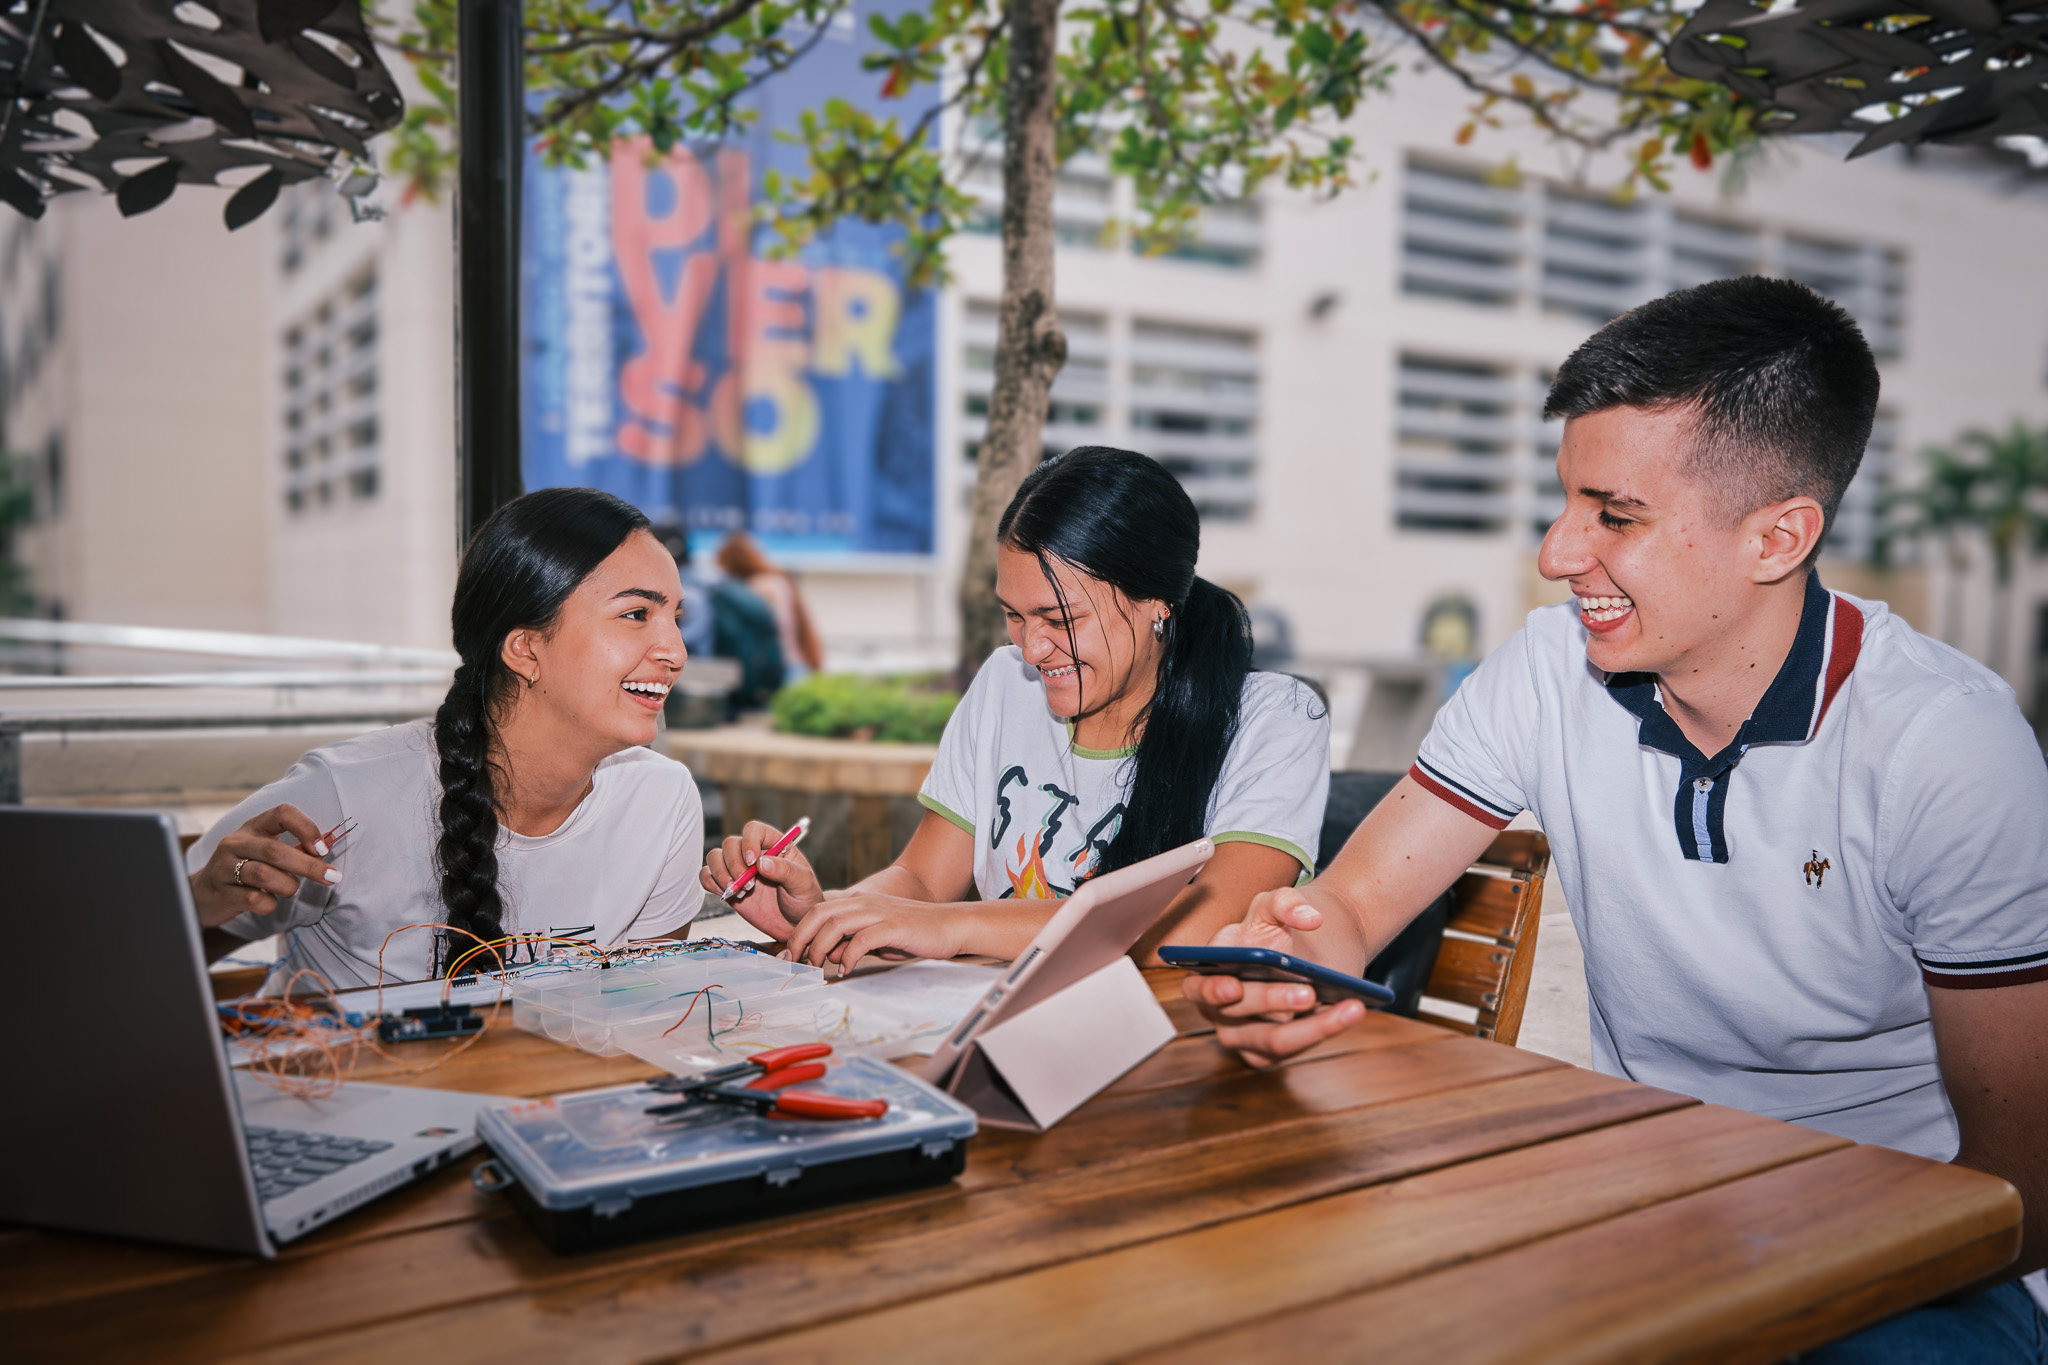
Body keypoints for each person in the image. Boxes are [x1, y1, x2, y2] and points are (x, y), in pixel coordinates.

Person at [1184, 278, 2048, 1358]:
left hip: (1912, 1258)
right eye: (1565, 502)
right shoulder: (1549, 670)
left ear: (1776, 537)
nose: (1556, 553)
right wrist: (1290, 960)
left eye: (1614, 517)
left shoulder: (1945, 747)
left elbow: (2017, 1187)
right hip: (1635, 1205)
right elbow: (1352, 903)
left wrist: (1770, 1289)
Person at [701, 445, 1330, 969]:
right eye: (1013, 616)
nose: (1032, 649)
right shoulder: (1006, 684)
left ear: (1157, 601)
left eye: (1060, 618)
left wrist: (955, 927)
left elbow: (1192, 929)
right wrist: (826, 915)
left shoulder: (1274, 720)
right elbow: (919, 884)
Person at [187, 487, 707, 985]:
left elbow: (646, 1009)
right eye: (636, 614)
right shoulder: (344, 794)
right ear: (525, 649)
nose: (676, 652)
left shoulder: (662, 800)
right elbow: (133, 953)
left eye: (675, 618)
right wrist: (201, 901)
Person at [716, 531, 824, 681]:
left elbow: (769, 628)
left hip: (780, 668)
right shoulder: (780, 580)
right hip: (798, 663)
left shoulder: (756, 588)